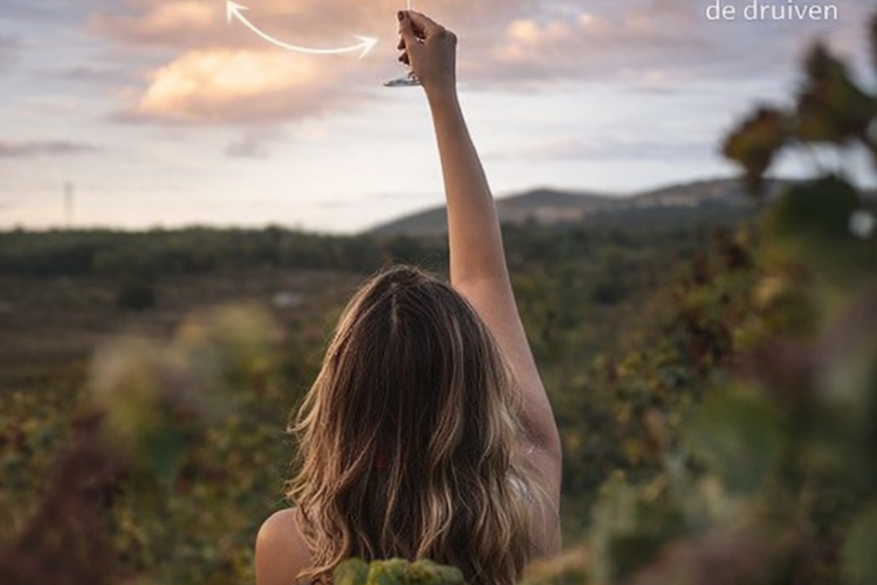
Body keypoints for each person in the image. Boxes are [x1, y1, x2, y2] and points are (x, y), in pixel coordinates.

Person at [255, 10, 562, 585]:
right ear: (475, 390)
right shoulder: (526, 518)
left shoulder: (293, 548)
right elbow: (483, 279)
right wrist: (442, 93)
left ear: (341, 398)